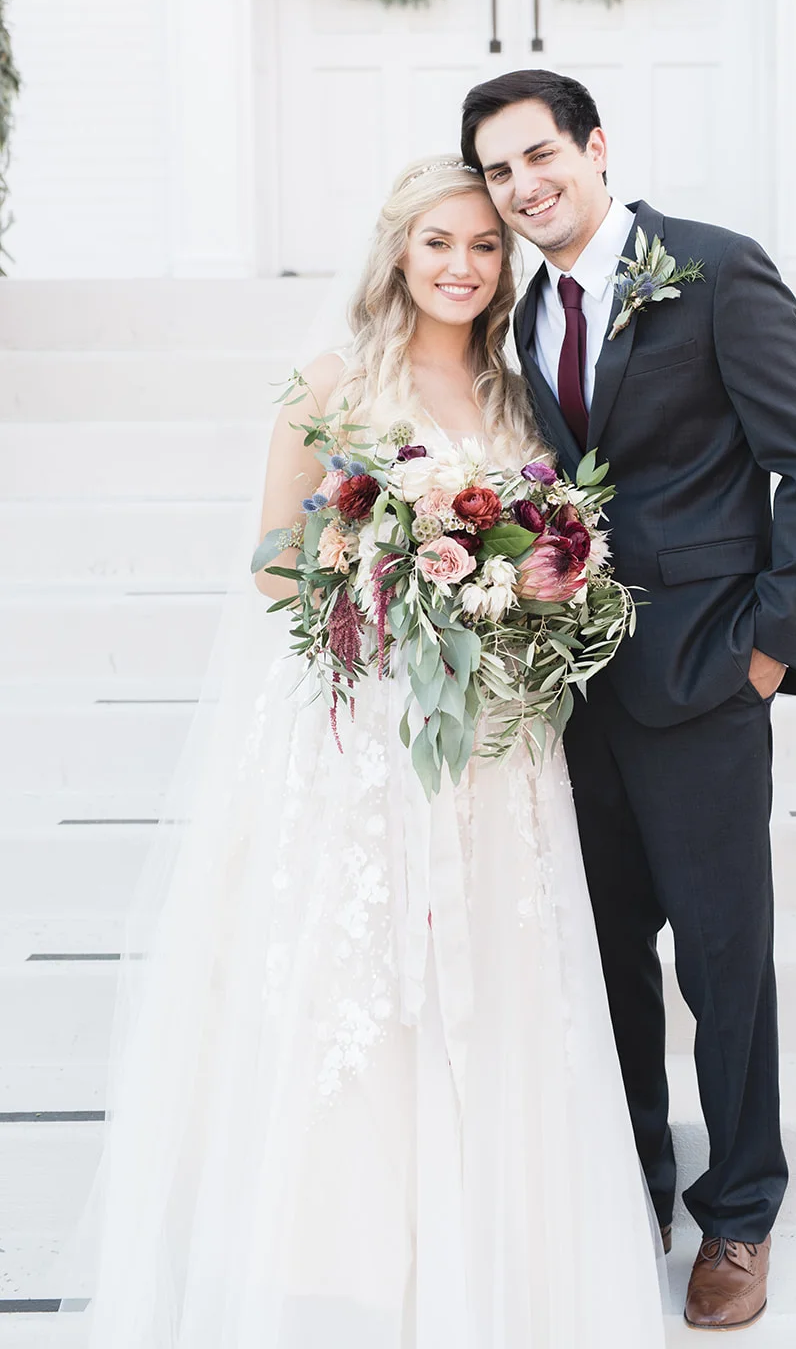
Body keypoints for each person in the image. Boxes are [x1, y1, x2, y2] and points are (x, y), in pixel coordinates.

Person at [56, 157, 666, 1348]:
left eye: (484, 246)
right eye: (439, 241)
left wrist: (524, 600)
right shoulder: (333, 384)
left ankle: (492, 1255)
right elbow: (272, 560)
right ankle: (340, 1270)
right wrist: (389, 604)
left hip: (493, 740)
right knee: (361, 987)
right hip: (363, 732)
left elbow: (555, 541)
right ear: (398, 250)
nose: (462, 266)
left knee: (497, 976)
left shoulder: (519, 390)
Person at [461, 71, 796, 1332]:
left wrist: (768, 651)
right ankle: (634, 1180)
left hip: (706, 680)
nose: (525, 187)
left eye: (540, 155)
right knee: (607, 955)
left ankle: (739, 1207)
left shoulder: (717, 270)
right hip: (572, 693)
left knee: (722, 959)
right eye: (500, 172)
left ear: (594, 147)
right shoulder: (522, 316)